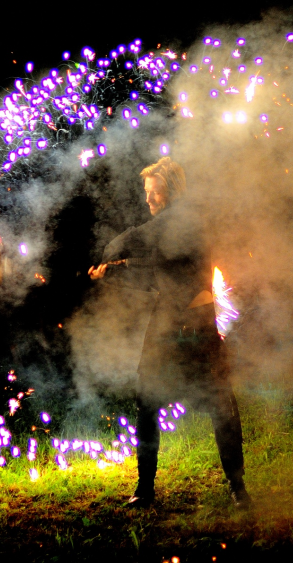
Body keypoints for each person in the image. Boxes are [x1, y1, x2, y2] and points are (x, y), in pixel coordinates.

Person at [88, 157, 251, 509]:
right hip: (166, 322)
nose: (148, 199)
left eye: (154, 192)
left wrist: (113, 249)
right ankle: (144, 488)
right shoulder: (165, 227)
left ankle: (238, 488)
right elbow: (154, 272)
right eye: (146, 192)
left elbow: (146, 239)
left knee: (221, 403)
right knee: (147, 401)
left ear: (172, 191)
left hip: (197, 325)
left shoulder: (186, 219)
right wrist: (110, 270)